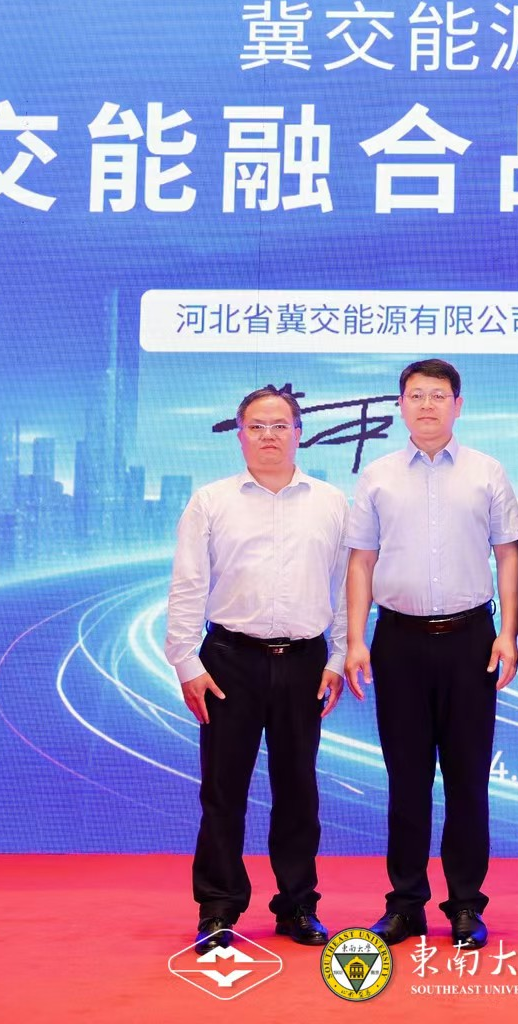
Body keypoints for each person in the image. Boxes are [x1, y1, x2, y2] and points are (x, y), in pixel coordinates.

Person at [342, 359, 518, 949]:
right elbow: (361, 560)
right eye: (415, 395)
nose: (426, 405)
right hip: (398, 642)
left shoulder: (487, 472)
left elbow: (509, 555)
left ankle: (466, 905)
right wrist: (355, 639)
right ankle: (405, 904)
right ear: (400, 405)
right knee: (407, 780)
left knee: (468, 780)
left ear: (458, 405)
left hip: (472, 640)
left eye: (438, 395)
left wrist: (509, 633)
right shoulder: (377, 476)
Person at [165, 386, 347, 952]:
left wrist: (338, 656)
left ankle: (298, 905)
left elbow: (346, 586)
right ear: (239, 435)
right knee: (224, 791)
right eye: (257, 426)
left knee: (299, 791)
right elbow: (188, 583)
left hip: (305, 661)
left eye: (280, 425)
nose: (269, 435)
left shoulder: (330, 502)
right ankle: (218, 909)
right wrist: (186, 662)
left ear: (299, 434)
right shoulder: (211, 501)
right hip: (229, 662)